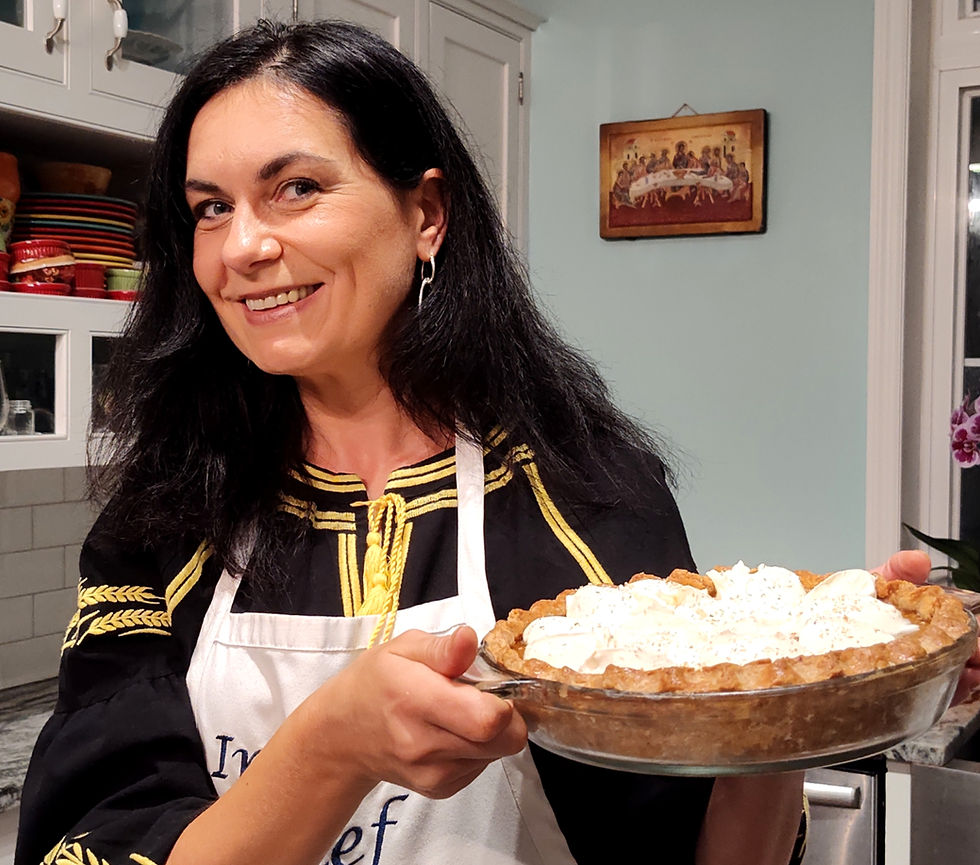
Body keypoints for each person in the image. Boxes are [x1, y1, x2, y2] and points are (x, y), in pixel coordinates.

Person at [13, 19, 947, 865]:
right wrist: (330, 747)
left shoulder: (589, 500)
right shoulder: (166, 519)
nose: (240, 247)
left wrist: (781, 722)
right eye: (209, 207)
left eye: (295, 188)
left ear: (427, 214)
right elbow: (98, 844)